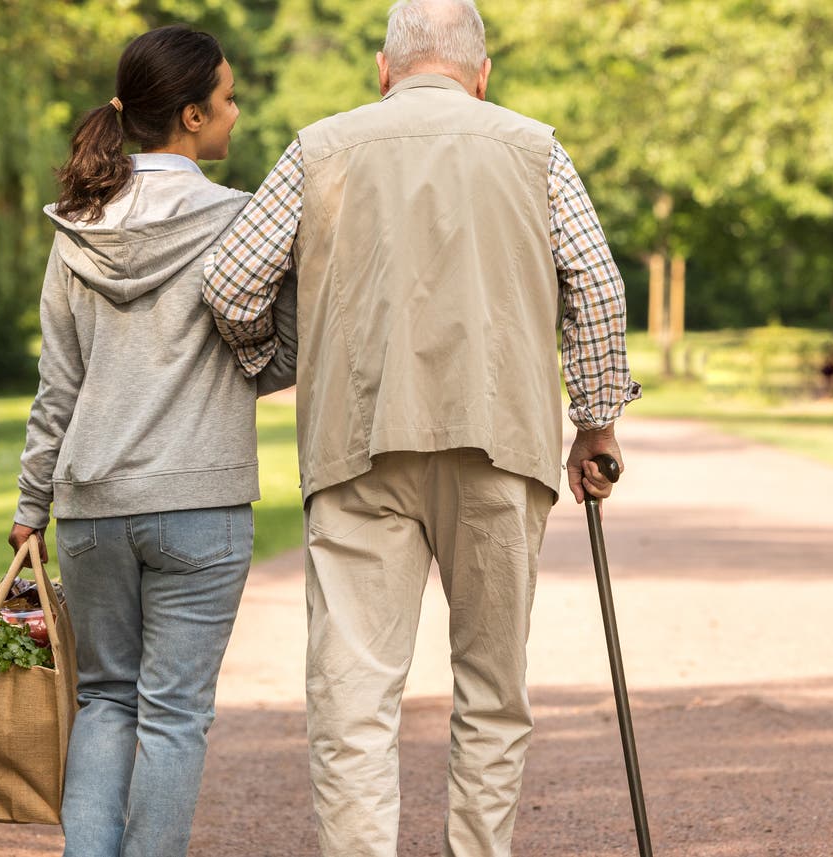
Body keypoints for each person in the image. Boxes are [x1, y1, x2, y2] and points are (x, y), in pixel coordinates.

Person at [202, 1, 640, 854]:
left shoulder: (319, 148)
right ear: (482, 75)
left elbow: (230, 281)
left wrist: (275, 357)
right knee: (491, 687)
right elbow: (598, 284)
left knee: (353, 695)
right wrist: (595, 424)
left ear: (382, 69)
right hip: (501, 442)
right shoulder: (535, 147)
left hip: (358, 442)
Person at [7, 24, 293, 857]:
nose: (238, 111)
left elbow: (57, 385)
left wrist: (31, 505)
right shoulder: (240, 221)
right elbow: (289, 345)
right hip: (200, 503)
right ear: (195, 117)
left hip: (91, 505)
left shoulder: (77, 228)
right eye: (230, 97)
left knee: (104, 701)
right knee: (173, 716)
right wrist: (240, 372)